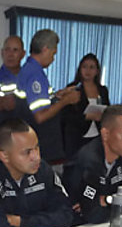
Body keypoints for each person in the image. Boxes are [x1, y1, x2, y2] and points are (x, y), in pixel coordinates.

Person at [65, 104, 122, 224]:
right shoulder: (88, 161)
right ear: (105, 134)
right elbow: (93, 214)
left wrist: (107, 199)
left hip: (107, 223)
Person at [18, 29, 81, 164]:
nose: (53, 59)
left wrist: (57, 95)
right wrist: (66, 101)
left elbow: (37, 103)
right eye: (53, 54)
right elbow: (40, 116)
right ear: (45, 49)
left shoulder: (28, 69)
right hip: (42, 144)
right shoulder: (35, 74)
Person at [60, 53, 111, 158]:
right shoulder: (72, 88)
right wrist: (88, 116)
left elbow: (108, 110)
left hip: (97, 137)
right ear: (80, 69)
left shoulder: (103, 90)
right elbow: (65, 116)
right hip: (76, 137)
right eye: (84, 67)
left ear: (97, 71)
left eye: (92, 67)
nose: (88, 70)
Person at [0, 36, 29, 127]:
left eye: (15, 50)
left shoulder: (29, 77)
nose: (10, 54)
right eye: (7, 50)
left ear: (23, 54)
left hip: (27, 130)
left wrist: (14, 102)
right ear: (2, 53)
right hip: (3, 132)